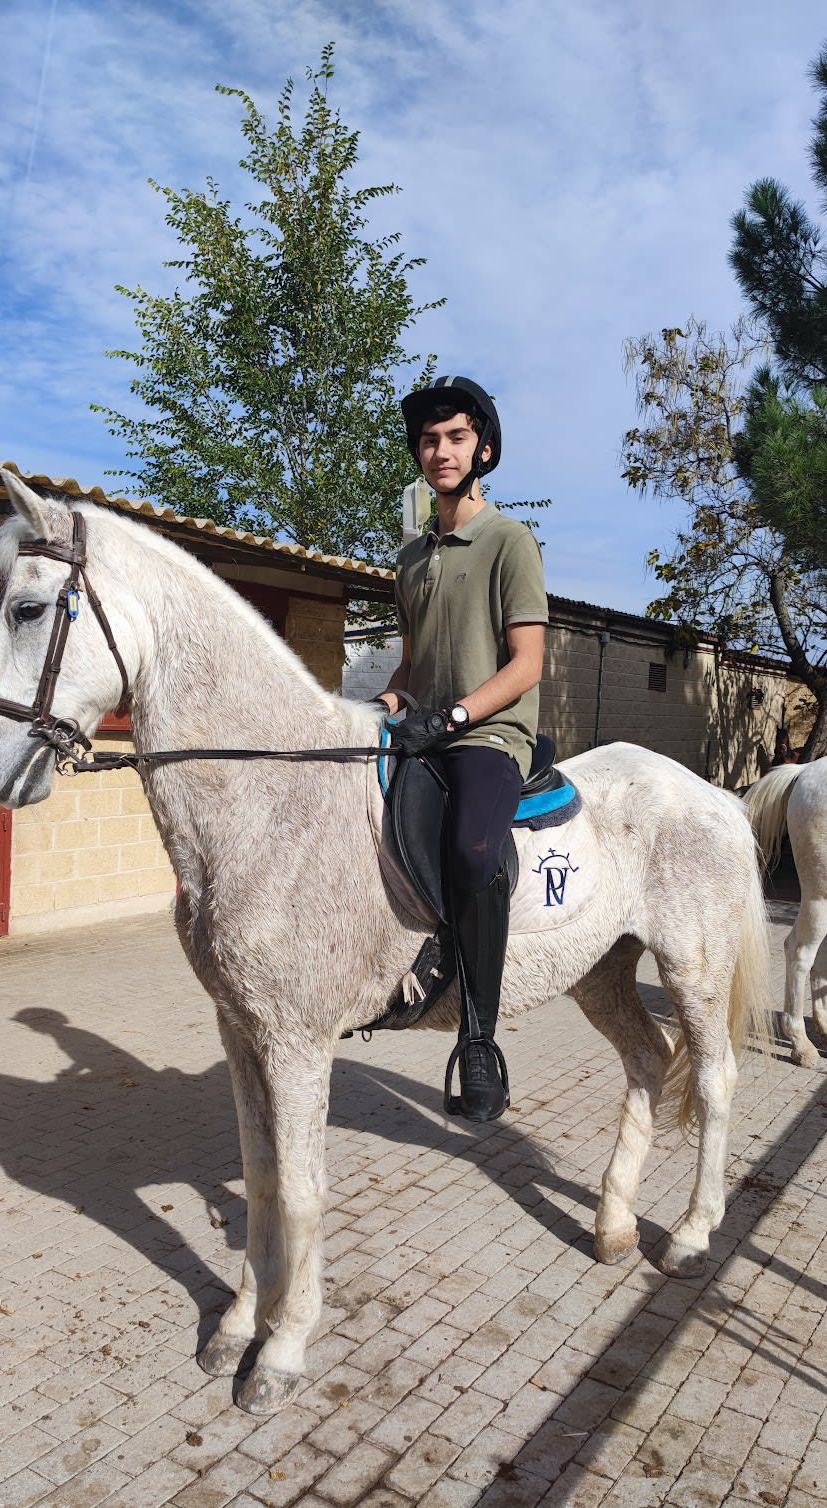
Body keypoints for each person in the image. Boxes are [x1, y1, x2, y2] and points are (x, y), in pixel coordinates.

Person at [377, 375, 548, 1122]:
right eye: (427, 439)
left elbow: (527, 665)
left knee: (476, 853)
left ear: (483, 446)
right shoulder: (410, 558)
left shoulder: (510, 541)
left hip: (487, 735)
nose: (439, 451)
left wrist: (451, 718)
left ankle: (478, 1042)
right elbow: (411, 663)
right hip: (425, 725)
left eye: (453, 437)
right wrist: (380, 707)